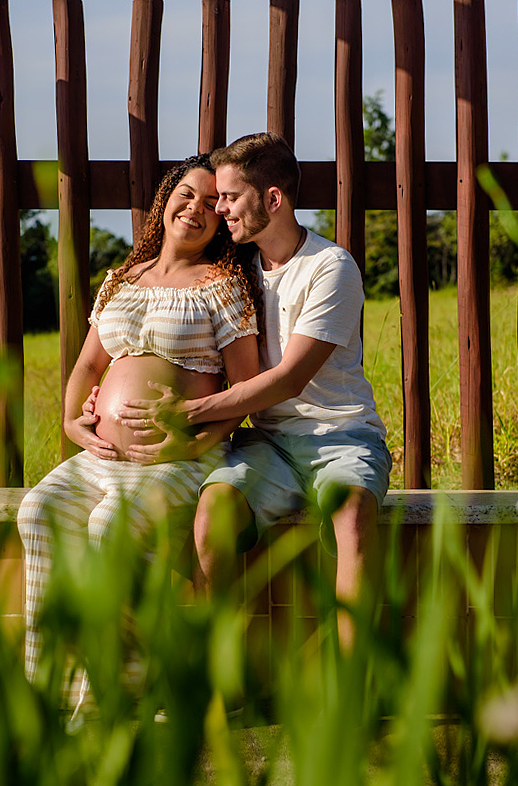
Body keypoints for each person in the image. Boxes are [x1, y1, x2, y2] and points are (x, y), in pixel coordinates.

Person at [118, 132, 391, 651]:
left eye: (229, 197)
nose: (218, 210)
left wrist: (192, 410)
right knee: (213, 512)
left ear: (273, 199)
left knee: (352, 517)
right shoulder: (236, 267)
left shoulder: (330, 268)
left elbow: (290, 378)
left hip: (343, 435)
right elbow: (182, 337)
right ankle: (224, 680)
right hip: (267, 443)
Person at [16, 154, 262, 687]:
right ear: (166, 198)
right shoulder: (122, 279)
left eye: (212, 204)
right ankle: (51, 683)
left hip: (177, 458)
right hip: (101, 457)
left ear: (222, 221)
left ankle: (129, 684)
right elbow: (87, 366)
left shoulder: (223, 284)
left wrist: (197, 447)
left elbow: (246, 393)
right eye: (187, 194)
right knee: (37, 512)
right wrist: (72, 422)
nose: (197, 209)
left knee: (111, 527)